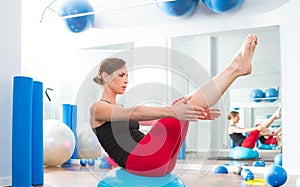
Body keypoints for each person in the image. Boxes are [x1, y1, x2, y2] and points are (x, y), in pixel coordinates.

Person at [90, 34, 258, 177]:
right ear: (105, 76)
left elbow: (153, 120)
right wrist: (175, 111)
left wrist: (190, 112)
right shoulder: (98, 108)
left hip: (159, 161)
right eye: (121, 75)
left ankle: (236, 68)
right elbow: (135, 113)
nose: (126, 80)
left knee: (183, 104)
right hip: (141, 161)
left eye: (127, 75)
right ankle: (236, 68)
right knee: (180, 105)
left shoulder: (118, 108)